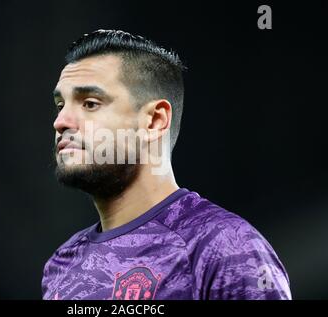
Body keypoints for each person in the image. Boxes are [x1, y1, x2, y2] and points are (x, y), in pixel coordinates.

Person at [42, 29, 292, 300]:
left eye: (90, 103)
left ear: (154, 120)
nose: (61, 122)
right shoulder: (62, 264)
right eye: (60, 105)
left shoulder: (224, 246)